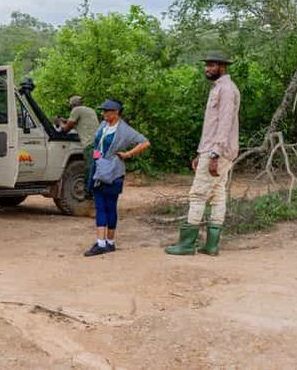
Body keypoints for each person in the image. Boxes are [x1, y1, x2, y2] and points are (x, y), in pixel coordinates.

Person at [166, 52, 240, 256]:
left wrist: (214, 154)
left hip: (218, 150)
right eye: (206, 65)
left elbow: (224, 123)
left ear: (222, 67)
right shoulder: (223, 88)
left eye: (211, 65)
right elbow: (213, 125)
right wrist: (202, 153)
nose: (207, 68)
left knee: (198, 194)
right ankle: (211, 245)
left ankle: (187, 244)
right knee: (217, 195)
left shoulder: (226, 90)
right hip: (216, 149)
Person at [83, 99, 150, 257]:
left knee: (109, 206)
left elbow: (145, 142)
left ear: (116, 112)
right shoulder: (103, 125)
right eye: (103, 111)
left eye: (107, 111)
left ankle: (107, 243)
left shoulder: (124, 130)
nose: (104, 113)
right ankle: (104, 242)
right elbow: (98, 145)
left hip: (113, 171)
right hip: (99, 169)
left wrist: (127, 154)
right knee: (100, 205)